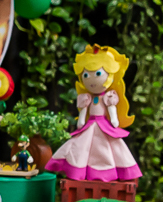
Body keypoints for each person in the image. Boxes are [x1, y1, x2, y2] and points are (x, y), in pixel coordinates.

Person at [45, 44, 142, 181]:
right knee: (81, 147)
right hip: (89, 125)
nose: (91, 79)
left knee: (107, 148)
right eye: (85, 74)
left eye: (97, 74)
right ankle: (80, 170)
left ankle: (106, 172)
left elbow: (111, 109)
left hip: (103, 125)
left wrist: (114, 119)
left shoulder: (108, 97)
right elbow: (84, 111)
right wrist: (81, 120)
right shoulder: (86, 98)